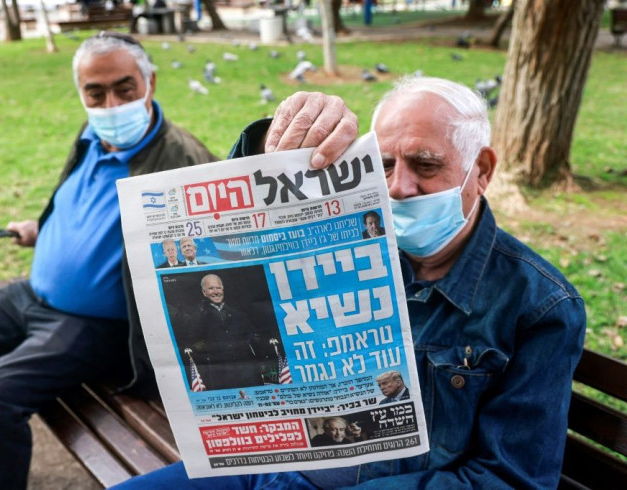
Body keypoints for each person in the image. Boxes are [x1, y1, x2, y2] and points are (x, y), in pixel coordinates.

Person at [112, 78, 586, 489]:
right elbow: (240, 230)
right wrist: (272, 141)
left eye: (425, 165)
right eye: (382, 164)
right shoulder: (349, 229)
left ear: (481, 170)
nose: (399, 186)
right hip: (261, 467)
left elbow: (510, 478)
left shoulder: (537, 305)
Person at [0, 31, 217, 490]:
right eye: (95, 92)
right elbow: (83, 202)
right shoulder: (91, 135)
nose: (110, 104)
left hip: (92, 325)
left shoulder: (182, 162)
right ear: (81, 92)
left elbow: (214, 248)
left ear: (150, 82)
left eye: (124, 88)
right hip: (29, 295)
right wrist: (40, 229)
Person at [177, 274, 267, 390]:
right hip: (219, 371)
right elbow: (193, 338)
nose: (215, 292)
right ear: (204, 292)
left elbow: (253, 335)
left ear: (223, 289)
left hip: (246, 369)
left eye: (218, 288)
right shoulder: (198, 314)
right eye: (211, 288)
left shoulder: (238, 312)